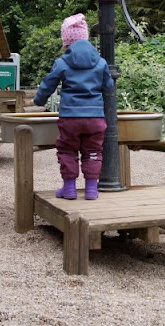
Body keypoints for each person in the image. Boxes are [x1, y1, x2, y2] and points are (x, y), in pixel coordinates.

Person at [31, 13, 114, 200]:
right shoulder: (100, 63)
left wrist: (39, 101)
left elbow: (48, 83)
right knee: (93, 151)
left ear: (66, 43)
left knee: (67, 149)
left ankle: (69, 189)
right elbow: (108, 87)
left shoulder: (63, 62)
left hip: (70, 118)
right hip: (95, 118)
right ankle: (91, 190)